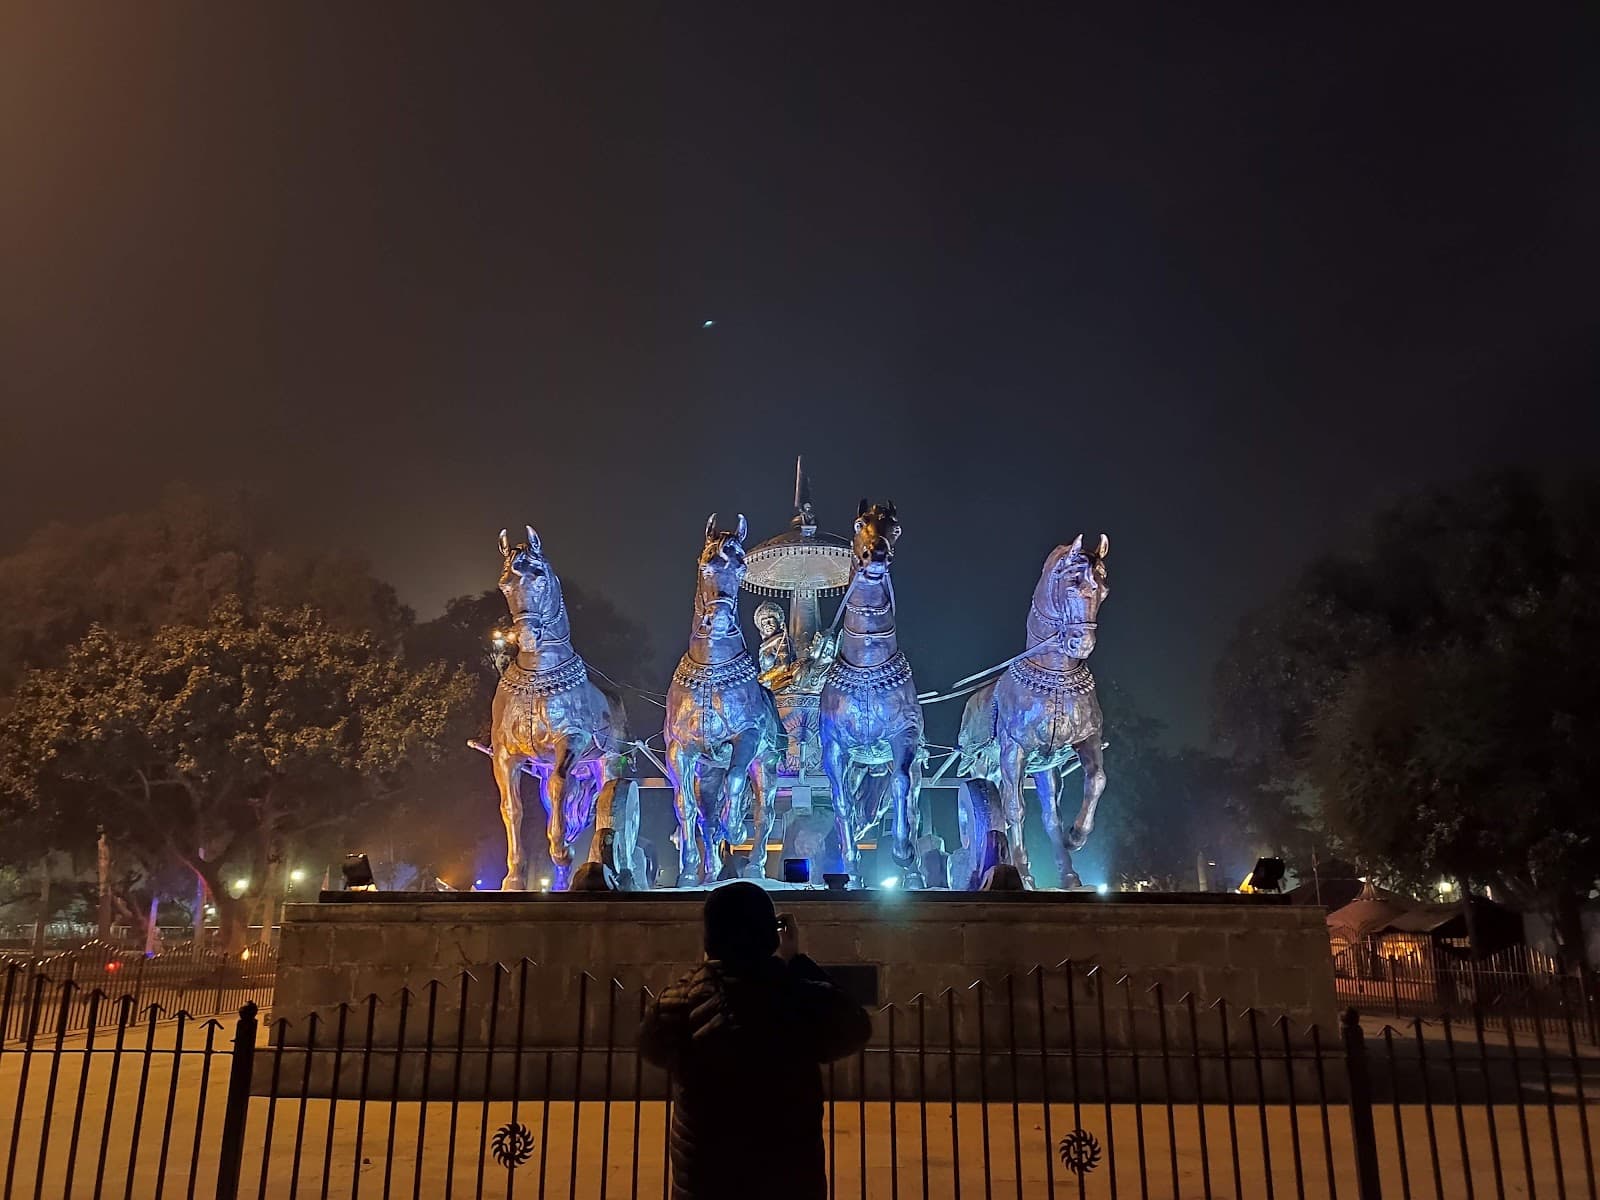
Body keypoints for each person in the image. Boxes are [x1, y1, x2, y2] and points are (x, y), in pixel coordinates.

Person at [638, 882, 872, 1200]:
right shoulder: (800, 998)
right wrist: (797, 960)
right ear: (772, 935)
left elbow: (651, 1045)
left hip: (708, 1182)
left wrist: (705, 968)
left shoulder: (681, 1002)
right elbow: (855, 1024)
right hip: (788, 1181)